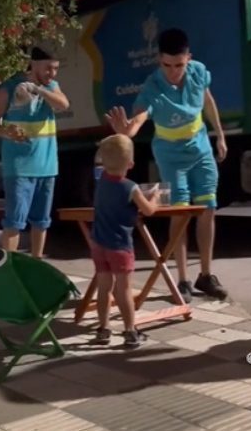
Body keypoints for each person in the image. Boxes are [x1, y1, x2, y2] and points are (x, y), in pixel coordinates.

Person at [105, 28, 228, 303]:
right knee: (180, 212)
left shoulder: (198, 71)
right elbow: (140, 117)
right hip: (170, 154)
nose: (173, 71)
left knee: (208, 207)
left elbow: (207, 101)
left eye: (179, 65)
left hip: (200, 146)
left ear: (189, 58)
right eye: (167, 65)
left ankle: (206, 275)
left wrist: (219, 134)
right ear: (159, 60)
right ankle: (182, 279)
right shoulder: (153, 86)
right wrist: (128, 131)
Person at [0, 47, 70, 259]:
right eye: (48, 68)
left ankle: (37, 263)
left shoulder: (52, 87)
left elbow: (63, 105)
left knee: (42, 221)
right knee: (14, 221)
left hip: (47, 165)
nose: (52, 73)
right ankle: (9, 267)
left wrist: (39, 90)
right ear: (33, 65)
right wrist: (6, 132)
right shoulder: (10, 87)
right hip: (19, 167)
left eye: (56, 69)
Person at [91, 134, 158, 348]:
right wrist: (155, 196)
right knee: (124, 290)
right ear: (130, 164)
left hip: (99, 243)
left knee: (104, 288)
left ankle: (103, 329)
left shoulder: (100, 179)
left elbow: (100, 162)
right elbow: (148, 211)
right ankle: (130, 331)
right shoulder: (131, 187)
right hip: (120, 246)